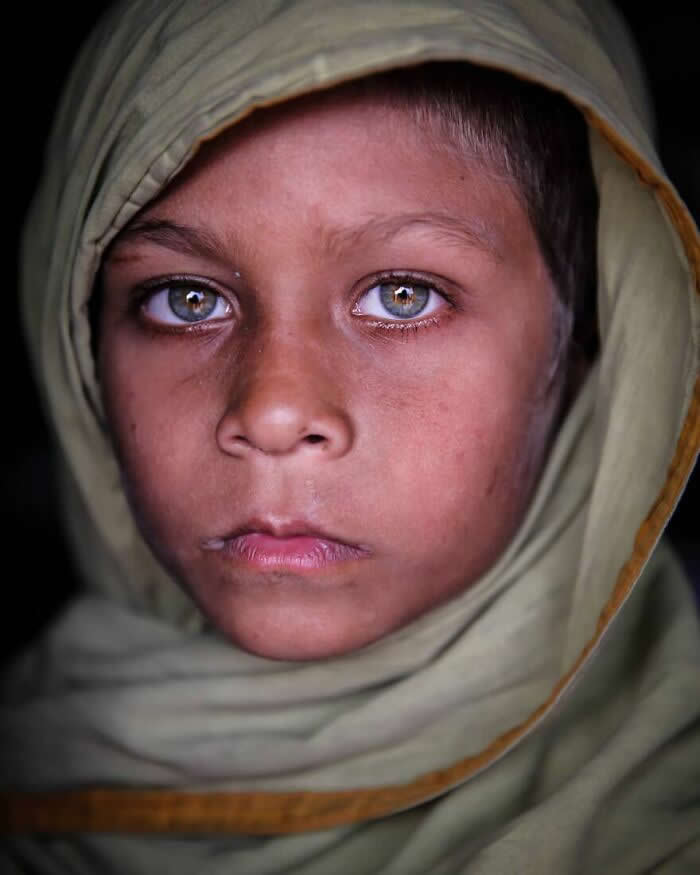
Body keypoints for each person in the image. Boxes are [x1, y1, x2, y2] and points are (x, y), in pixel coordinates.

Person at [1, 0, 698, 872]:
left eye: (403, 295)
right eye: (187, 299)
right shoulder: (36, 767)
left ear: (588, 345)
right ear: (79, 349)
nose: (274, 412)